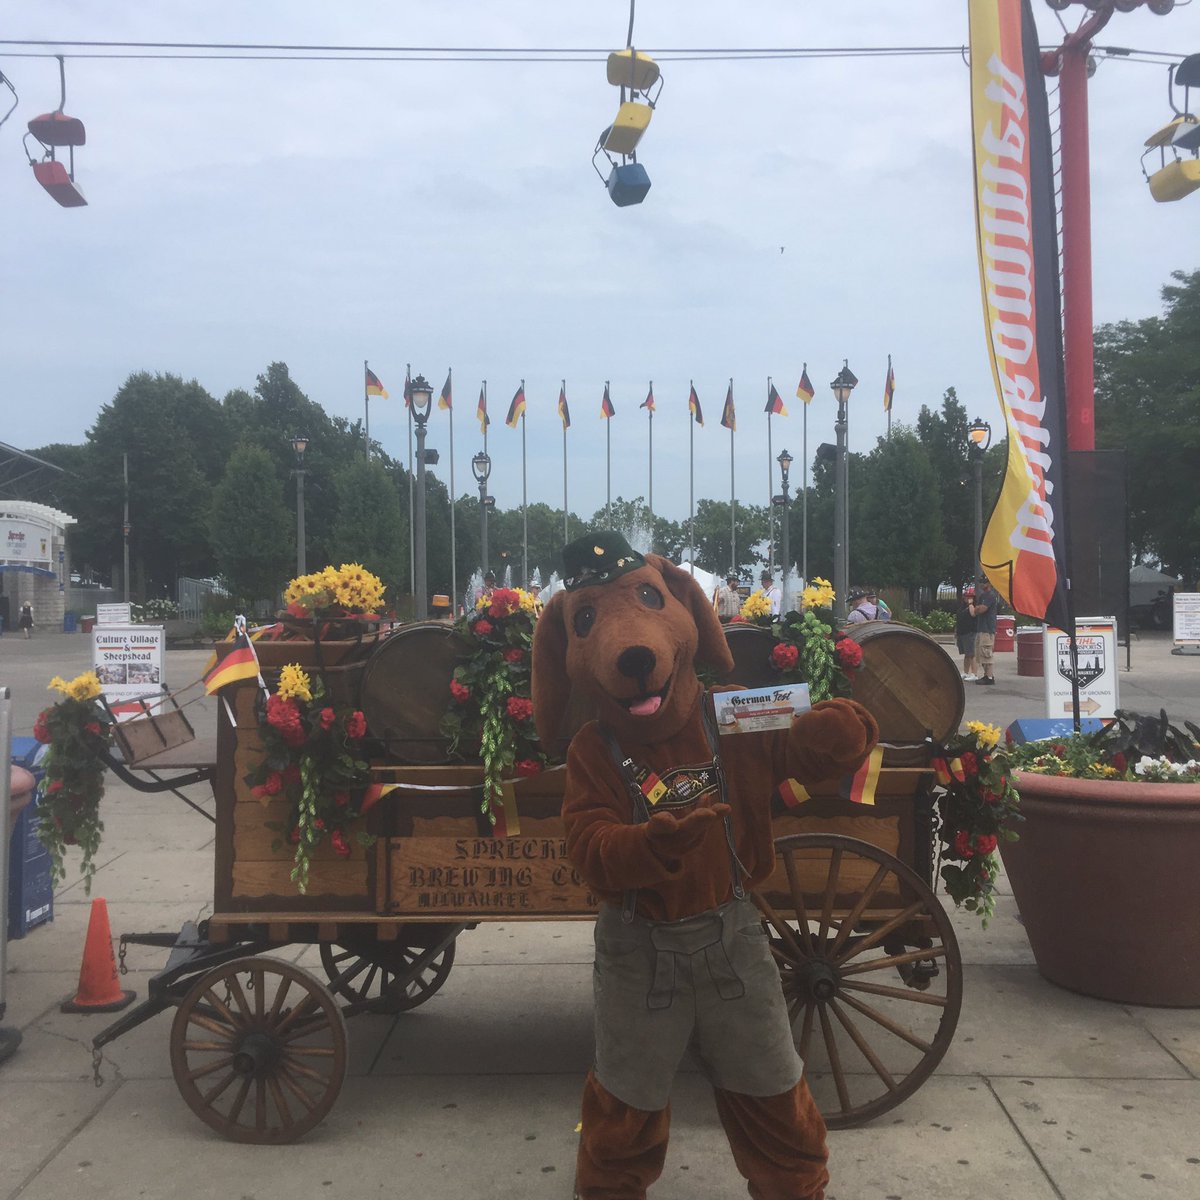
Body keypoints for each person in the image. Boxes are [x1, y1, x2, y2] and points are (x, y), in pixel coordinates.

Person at [970, 580, 999, 685]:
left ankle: (990, 677)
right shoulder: (982, 596)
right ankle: (986, 675)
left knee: (987, 653)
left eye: (985, 582)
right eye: (981, 582)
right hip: (980, 628)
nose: (982, 584)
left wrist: (978, 608)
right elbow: (975, 612)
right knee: (980, 654)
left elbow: (981, 609)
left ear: (989, 583)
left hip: (987, 629)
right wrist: (978, 608)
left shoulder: (990, 595)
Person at [956, 587, 978, 681]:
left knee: (971, 654)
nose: (967, 598)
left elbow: (973, 614)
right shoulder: (962, 607)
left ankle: (974, 673)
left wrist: (970, 603)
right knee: (966, 654)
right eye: (966, 596)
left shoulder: (972, 606)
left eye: (970, 596)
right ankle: (965, 672)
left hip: (970, 632)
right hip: (962, 632)